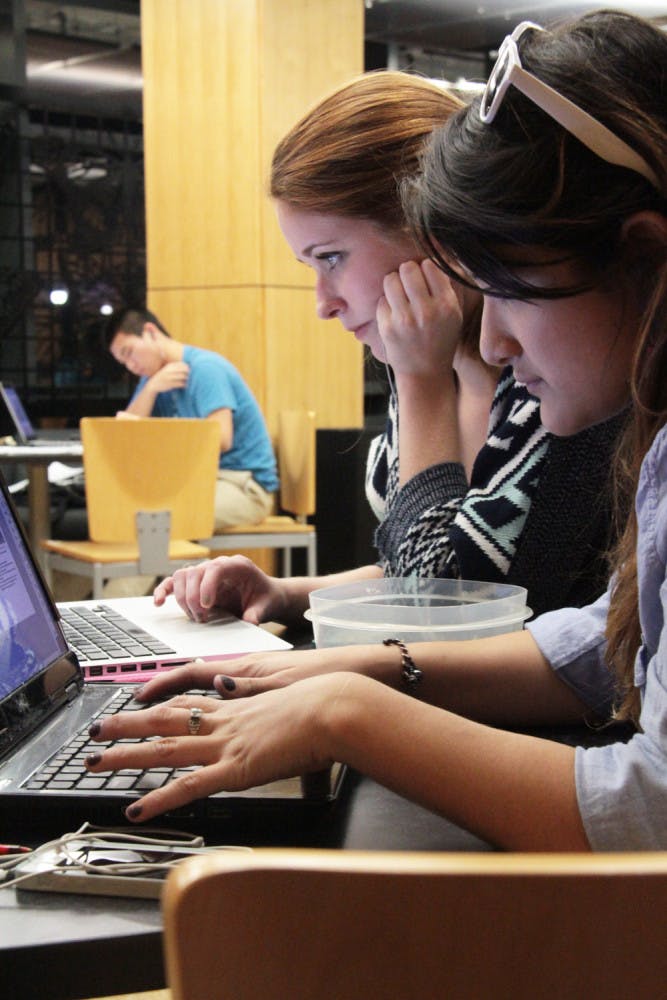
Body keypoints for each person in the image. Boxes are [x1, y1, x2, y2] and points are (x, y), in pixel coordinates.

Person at [86, 9, 667, 850]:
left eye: (504, 284)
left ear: (642, 259)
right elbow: (592, 640)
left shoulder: (577, 399)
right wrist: (337, 660)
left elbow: (451, 604)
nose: (499, 340)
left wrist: (347, 708)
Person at [151, 71, 624, 630]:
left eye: (331, 258)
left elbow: (443, 607)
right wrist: (287, 594)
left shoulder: (559, 370)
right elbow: (414, 563)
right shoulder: (425, 363)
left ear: (431, 228)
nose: (323, 304)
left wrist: (421, 381)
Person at [105, 307, 278, 532]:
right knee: (128, 512)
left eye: (129, 353)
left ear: (150, 332)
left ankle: (183, 568)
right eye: (123, 362)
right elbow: (125, 437)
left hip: (243, 485)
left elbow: (221, 439)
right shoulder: (152, 381)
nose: (131, 366)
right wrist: (150, 390)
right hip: (198, 482)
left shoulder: (205, 369)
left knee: (159, 521)